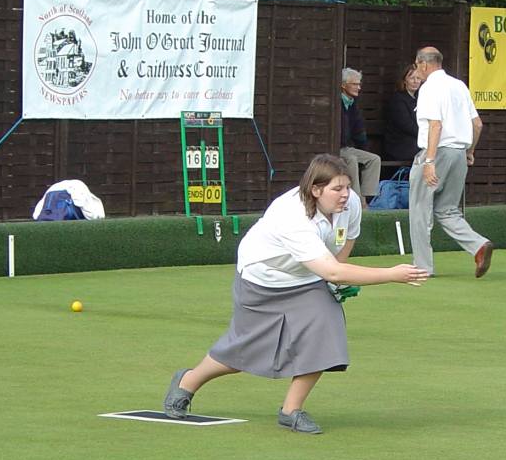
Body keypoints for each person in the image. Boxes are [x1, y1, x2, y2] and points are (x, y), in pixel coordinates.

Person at [163, 154, 428, 434]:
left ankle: (291, 410)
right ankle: (187, 382)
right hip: (262, 278)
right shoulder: (292, 215)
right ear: (316, 190)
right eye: (337, 189)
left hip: (307, 277)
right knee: (243, 350)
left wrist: (335, 279)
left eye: (347, 187)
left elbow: (344, 244)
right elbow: (333, 272)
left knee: (326, 333)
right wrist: (391, 274)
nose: (345, 195)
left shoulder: (349, 204)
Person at [408, 46, 493, 278]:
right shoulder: (459, 85)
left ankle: (422, 267)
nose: (417, 71)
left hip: (437, 152)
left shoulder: (429, 89)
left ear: (423, 64)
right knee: (447, 210)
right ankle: (478, 245)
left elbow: (435, 125)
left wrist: (429, 161)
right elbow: (477, 124)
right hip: (459, 153)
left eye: (417, 66)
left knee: (419, 208)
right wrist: (470, 151)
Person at [340, 68, 381, 207]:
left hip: (347, 147)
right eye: (355, 84)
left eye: (359, 84)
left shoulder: (352, 103)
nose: (359, 87)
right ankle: (356, 200)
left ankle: (366, 198)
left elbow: (358, 130)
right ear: (343, 85)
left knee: (374, 159)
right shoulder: (338, 103)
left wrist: (364, 149)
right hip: (337, 147)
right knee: (351, 159)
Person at [383, 64, 422, 164]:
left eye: (418, 78)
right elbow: (407, 125)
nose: (415, 81)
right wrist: (426, 134)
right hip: (401, 145)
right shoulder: (397, 100)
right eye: (411, 77)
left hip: (417, 141)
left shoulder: (421, 98)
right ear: (404, 80)